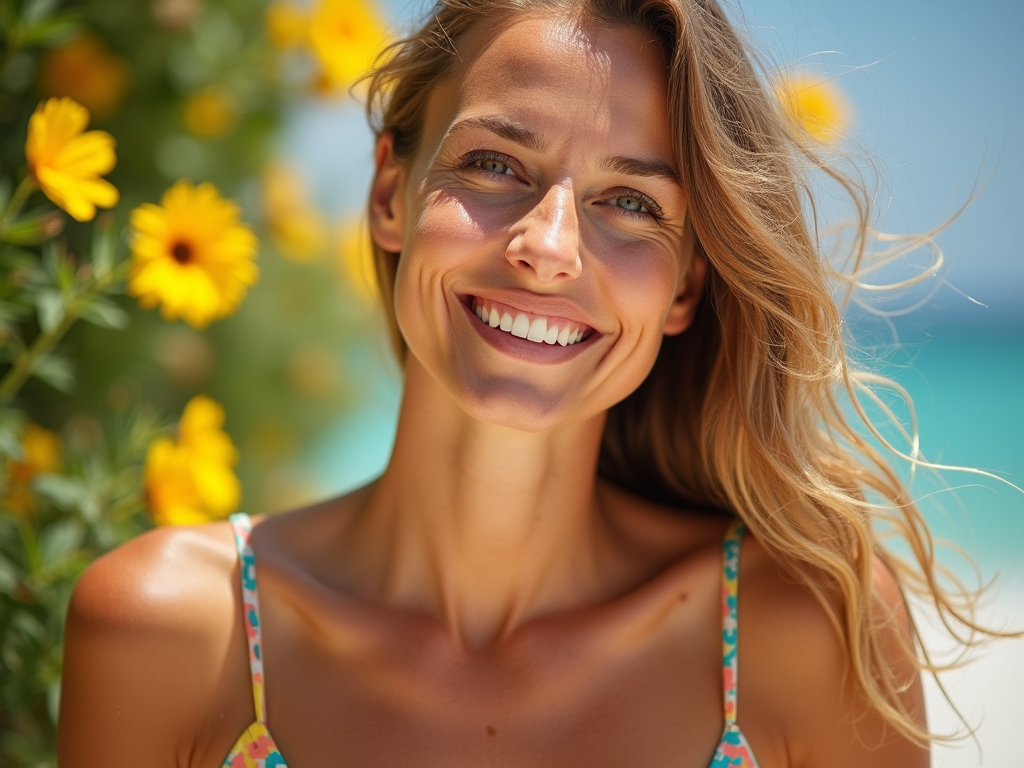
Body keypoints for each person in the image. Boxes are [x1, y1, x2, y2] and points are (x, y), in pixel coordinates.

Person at [57, 1, 991, 766]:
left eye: (630, 203)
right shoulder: (173, 634)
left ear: (687, 285)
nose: (546, 248)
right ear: (391, 193)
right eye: (495, 164)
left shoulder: (810, 638)